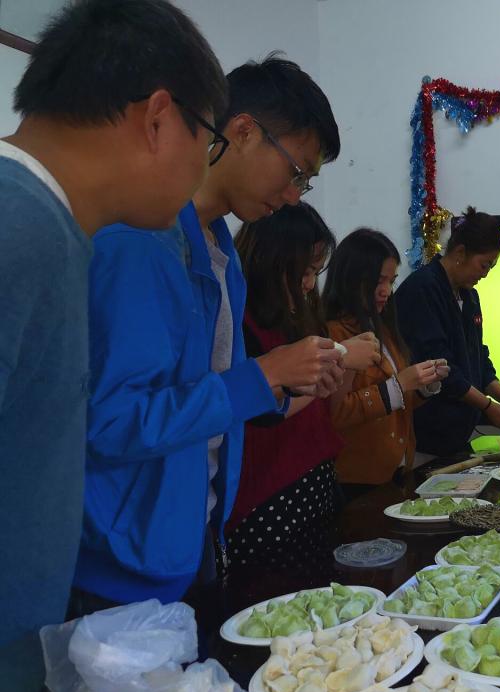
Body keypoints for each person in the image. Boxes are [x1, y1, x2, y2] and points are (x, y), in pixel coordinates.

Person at [76, 56, 376, 611]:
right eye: (297, 172)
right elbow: (111, 423)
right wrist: (264, 374)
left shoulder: (221, 255)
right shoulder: (138, 240)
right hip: (125, 565)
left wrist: (283, 384)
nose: (295, 195)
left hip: (199, 538)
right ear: (242, 131)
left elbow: (213, 398)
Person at [0, 0, 227, 692]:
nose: (204, 167)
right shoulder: (18, 226)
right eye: (209, 138)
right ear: (159, 118)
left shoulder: (56, 228)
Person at [225, 203, 375, 574]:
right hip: (267, 495)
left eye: (314, 272)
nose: (309, 284)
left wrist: (342, 364)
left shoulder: (299, 317)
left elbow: (327, 404)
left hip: (316, 480)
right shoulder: (238, 320)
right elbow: (262, 410)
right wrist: (341, 355)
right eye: (305, 271)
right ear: (272, 261)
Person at [395, 208, 500, 457]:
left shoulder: (469, 296)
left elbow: (478, 357)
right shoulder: (423, 289)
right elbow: (440, 367)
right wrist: (488, 406)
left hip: (457, 435)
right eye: (484, 264)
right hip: (425, 435)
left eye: (491, 266)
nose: (485, 274)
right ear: (460, 253)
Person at [323, 228, 449, 497]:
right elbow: (335, 414)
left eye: (391, 282)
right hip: (356, 480)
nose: (386, 291)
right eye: (379, 281)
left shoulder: (383, 328)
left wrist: (425, 385)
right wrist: (399, 385)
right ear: (351, 277)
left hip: (396, 472)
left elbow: (399, 401)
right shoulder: (332, 334)